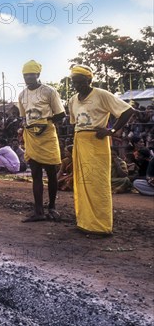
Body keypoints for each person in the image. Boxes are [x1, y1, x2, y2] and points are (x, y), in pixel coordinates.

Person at [68, 64, 134, 235]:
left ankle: (101, 226)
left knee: (98, 183)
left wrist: (111, 130)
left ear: (89, 80)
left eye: (81, 81)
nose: (77, 85)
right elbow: (75, 124)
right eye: (74, 82)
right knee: (83, 182)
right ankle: (84, 222)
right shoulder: (73, 100)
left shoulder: (102, 95)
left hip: (97, 142)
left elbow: (127, 111)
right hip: (80, 142)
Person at [18, 60, 66, 222]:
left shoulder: (49, 91)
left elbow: (61, 114)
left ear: (38, 75)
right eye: (25, 75)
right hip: (31, 137)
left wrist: (46, 122)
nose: (28, 77)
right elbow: (23, 116)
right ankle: (38, 210)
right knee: (35, 173)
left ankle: (52, 207)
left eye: (31, 74)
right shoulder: (22, 95)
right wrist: (25, 126)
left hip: (47, 136)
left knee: (51, 173)